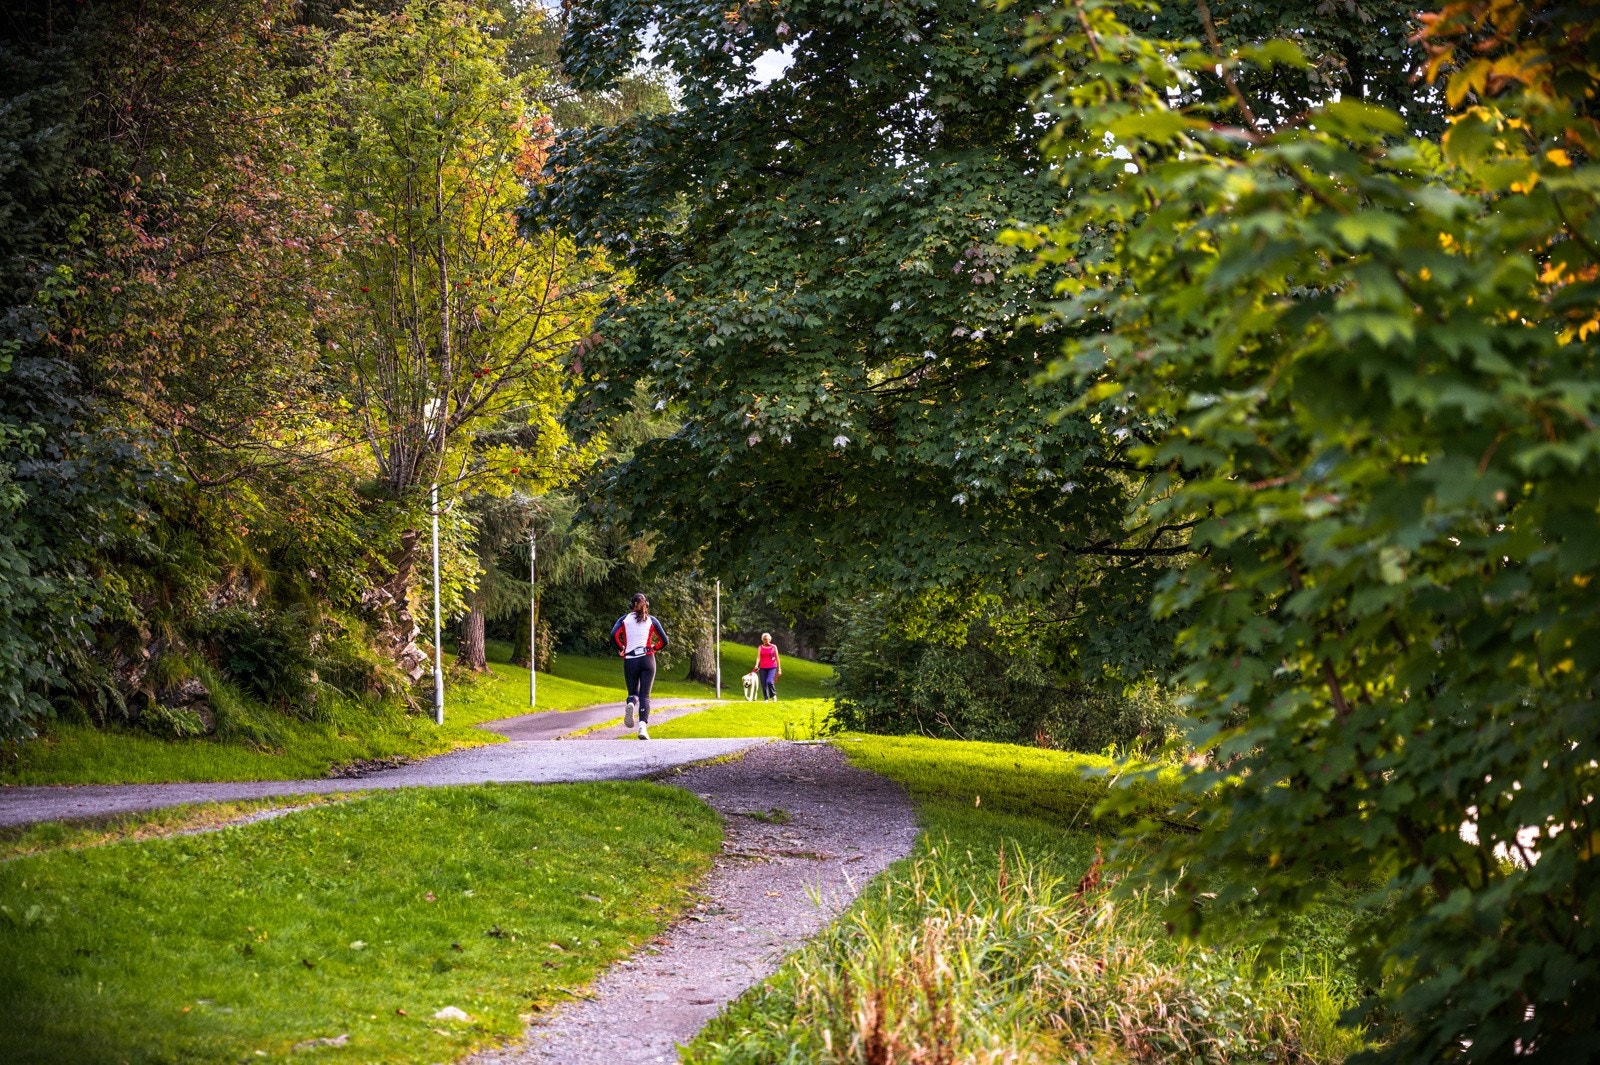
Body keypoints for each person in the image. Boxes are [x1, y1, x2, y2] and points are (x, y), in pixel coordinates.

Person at [611, 593, 669, 739]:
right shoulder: (651, 620)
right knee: (645, 695)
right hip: (647, 659)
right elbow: (665, 640)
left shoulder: (624, 620)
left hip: (631, 659)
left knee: (633, 693)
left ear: (632, 605)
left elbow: (613, 635)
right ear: (646, 605)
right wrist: (654, 648)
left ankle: (631, 702)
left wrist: (621, 648)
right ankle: (642, 728)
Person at [754, 632, 781, 702]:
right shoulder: (760, 647)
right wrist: (757, 664)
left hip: (772, 667)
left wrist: (779, 669)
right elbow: (758, 657)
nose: (766, 641)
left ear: (770, 639)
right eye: (764, 639)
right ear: (762, 640)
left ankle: (773, 695)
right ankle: (766, 698)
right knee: (763, 684)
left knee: (769, 681)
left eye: (767, 639)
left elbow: (777, 658)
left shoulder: (774, 647)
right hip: (762, 667)